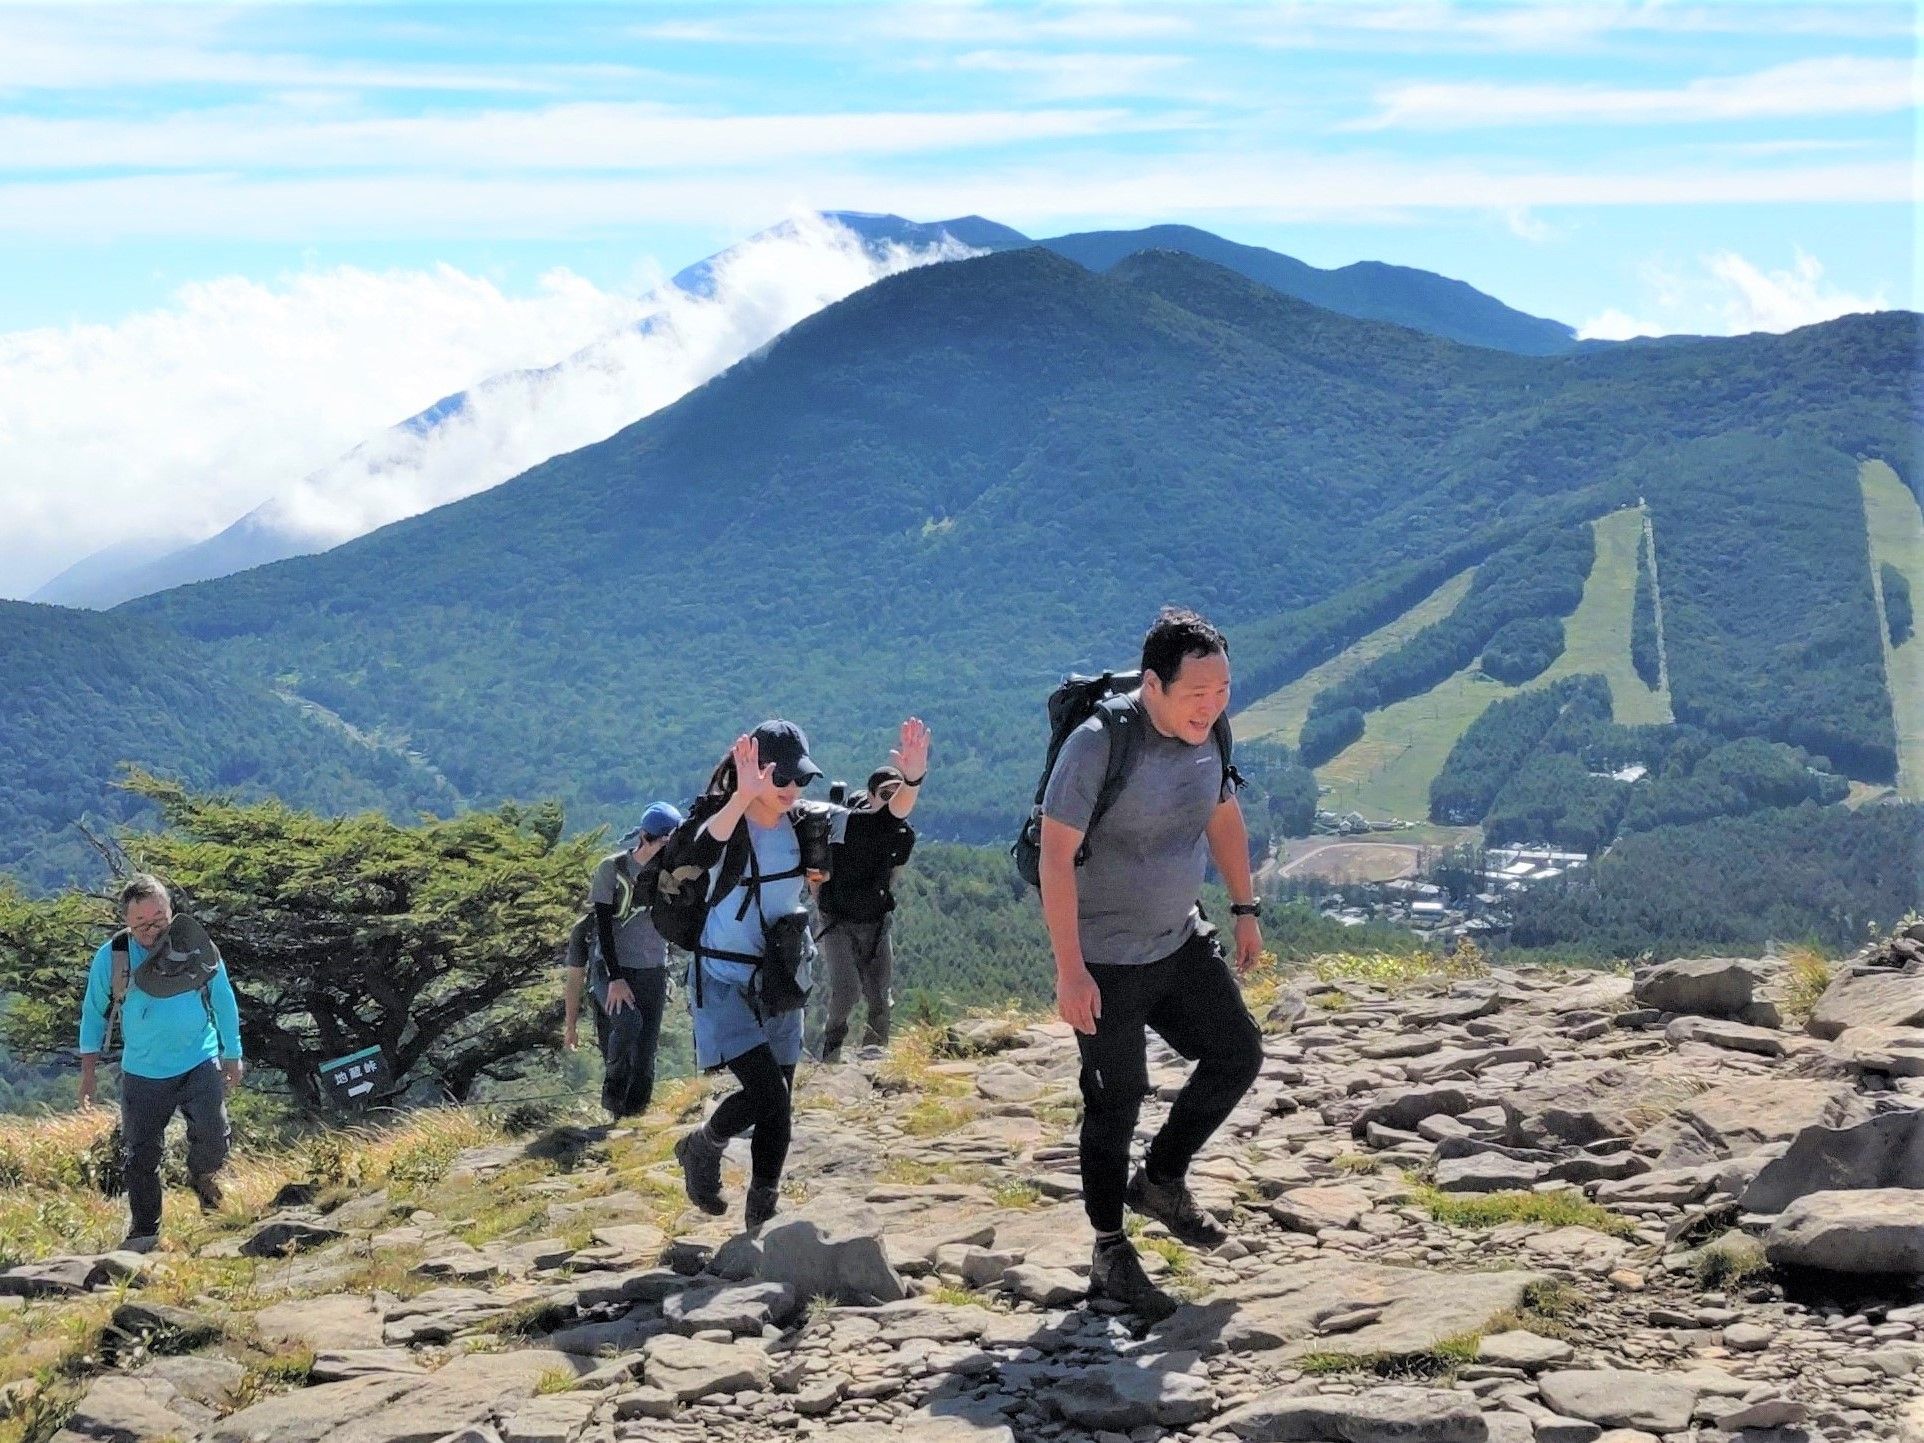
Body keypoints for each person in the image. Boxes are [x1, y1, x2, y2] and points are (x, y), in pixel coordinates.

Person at [1038, 607, 1266, 1319]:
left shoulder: (1211, 735)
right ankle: (1109, 1251)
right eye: (1197, 693)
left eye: (1222, 689)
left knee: (1236, 1053)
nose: (1212, 704)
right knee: (1117, 1098)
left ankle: (1161, 1179)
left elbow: (1221, 815)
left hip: (1177, 938)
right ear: (1153, 685)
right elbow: (1054, 855)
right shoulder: (1100, 744)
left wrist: (1244, 906)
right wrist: (1070, 969)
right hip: (1105, 959)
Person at [671, 717, 928, 1229]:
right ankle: (704, 1146)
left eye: (800, 779)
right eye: (782, 779)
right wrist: (741, 798)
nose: (792, 789)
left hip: (784, 976)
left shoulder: (805, 821)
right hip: (724, 977)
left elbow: (879, 827)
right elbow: (695, 854)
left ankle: (760, 1211)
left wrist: (914, 779)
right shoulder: (725, 824)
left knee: (779, 1101)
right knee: (768, 1093)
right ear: (756, 773)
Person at [76, 874, 244, 1253]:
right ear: (126, 922)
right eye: (141, 924)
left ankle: (209, 1195)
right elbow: (93, 1014)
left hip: (200, 1059)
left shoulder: (197, 946)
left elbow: (223, 997)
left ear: (171, 912)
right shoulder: (114, 957)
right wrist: (87, 1074)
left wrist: (232, 1052)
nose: (151, 930)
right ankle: (144, 1231)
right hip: (143, 1073)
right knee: (142, 1154)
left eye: (159, 920)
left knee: (213, 1134)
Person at [564, 801, 684, 1120]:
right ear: (645, 837)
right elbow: (603, 925)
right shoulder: (612, 869)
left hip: (653, 970)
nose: (666, 849)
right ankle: (613, 1095)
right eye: (663, 842)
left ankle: (634, 1120)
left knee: (645, 1053)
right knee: (629, 1025)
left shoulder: (669, 876)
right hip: (611, 970)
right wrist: (615, 978)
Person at [816, 755, 923, 1062]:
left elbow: (893, 875)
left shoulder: (902, 834)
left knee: (879, 995)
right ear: (872, 794)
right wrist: (822, 905)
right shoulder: (845, 826)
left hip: (875, 920)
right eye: (887, 794)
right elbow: (819, 871)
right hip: (838, 919)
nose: (893, 800)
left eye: (898, 793)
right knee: (846, 991)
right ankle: (831, 1054)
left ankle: (874, 1058)